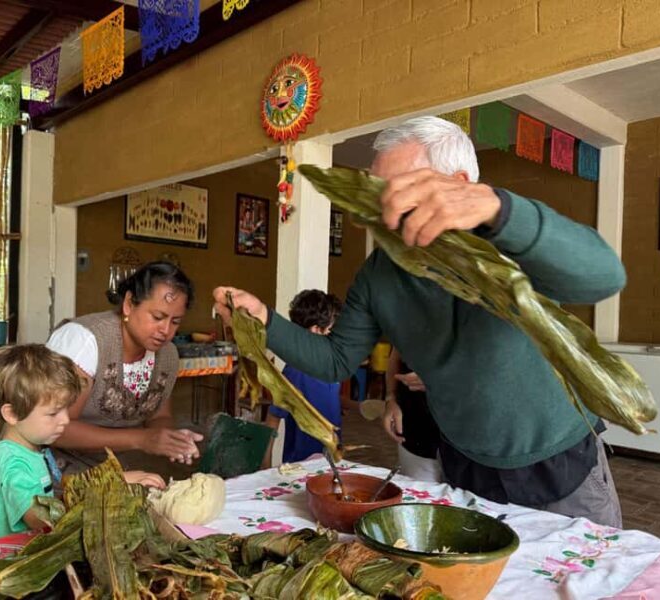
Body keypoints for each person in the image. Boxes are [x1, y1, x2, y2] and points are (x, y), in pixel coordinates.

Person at [214, 116, 625, 527]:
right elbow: (337, 360)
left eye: (402, 190)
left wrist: (499, 209)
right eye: (378, 193)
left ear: (459, 185)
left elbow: (604, 275)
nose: (384, 210)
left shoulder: (507, 239)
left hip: (558, 462)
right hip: (465, 465)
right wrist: (265, 318)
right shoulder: (380, 273)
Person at [0, 344, 164, 542]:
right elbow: (38, 517)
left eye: (66, 409)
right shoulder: (12, 461)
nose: (65, 420)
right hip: (7, 564)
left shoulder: (31, 448)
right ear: (12, 414)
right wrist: (109, 484)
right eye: (53, 413)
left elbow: (63, 490)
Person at [47, 261, 203, 470]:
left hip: (118, 468)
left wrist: (171, 440)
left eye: (175, 321)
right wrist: (142, 439)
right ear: (129, 304)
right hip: (59, 468)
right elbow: (56, 429)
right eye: (157, 317)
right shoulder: (86, 341)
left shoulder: (167, 355)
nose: (165, 330)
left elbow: (160, 416)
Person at [265, 290, 343, 464]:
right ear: (317, 330)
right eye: (332, 329)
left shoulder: (331, 365)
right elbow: (273, 418)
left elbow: (326, 400)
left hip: (330, 461)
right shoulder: (296, 371)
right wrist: (265, 469)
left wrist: (358, 406)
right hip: (302, 467)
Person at [384, 348, 442, 482]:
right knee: (419, 493)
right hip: (417, 426)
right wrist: (390, 398)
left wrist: (444, 381)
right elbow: (395, 358)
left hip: (470, 440)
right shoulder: (409, 327)